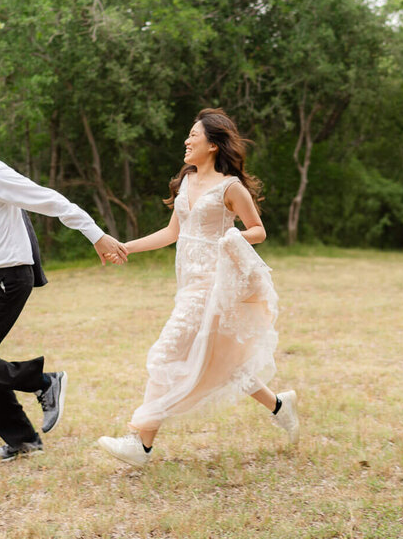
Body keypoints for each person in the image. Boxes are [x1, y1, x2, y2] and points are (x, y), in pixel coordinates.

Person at [0, 110, 127, 462]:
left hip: (8, 279)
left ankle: (43, 382)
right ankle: (22, 439)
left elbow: (53, 201)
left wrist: (97, 235)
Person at [97, 108, 297, 468]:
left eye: (193, 135)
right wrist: (126, 246)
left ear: (213, 144)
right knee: (224, 363)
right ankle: (281, 406)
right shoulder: (187, 181)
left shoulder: (231, 188)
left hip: (213, 285)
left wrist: (232, 238)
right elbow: (172, 233)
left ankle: (141, 444)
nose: (187, 141)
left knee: (164, 353)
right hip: (186, 284)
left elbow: (259, 230)